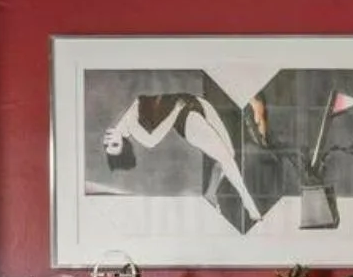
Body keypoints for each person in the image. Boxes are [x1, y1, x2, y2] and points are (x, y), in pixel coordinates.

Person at [101, 91, 264, 222]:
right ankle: (250, 206)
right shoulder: (130, 125)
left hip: (197, 104)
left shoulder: (124, 121)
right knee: (227, 159)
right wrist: (176, 111)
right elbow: (152, 140)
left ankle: (210, 194)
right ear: (124, 144)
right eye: (115, 145)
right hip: (187, 120)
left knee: (230, 154)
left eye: (107, 145)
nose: (109, 142)